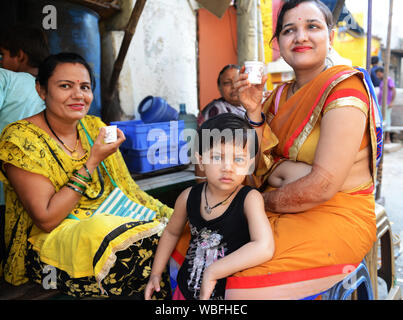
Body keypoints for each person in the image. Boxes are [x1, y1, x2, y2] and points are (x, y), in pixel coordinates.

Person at [174, 0, 378, 300]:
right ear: (278, 42)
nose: (301, 37)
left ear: (330, 37)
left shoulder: (344, 89)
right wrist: (254, 111)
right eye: (289, 30)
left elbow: (322, 185)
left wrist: (250, 205)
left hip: (333, 212)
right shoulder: (277, 96)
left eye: (313, 27)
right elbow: (253, 168)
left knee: (240, 285)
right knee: (191, 249)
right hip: (272, 207)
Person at [0, 52, 173, 299]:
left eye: (85, 87)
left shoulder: (94, 127)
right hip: (49, 244)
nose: (78, 95)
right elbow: (47, 219)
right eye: (65, 86)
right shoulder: (20, 139)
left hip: (112, 226)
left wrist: (174, 218)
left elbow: (127, 190)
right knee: (121, 243)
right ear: (41, 90)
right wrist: (92, 161)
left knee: (175, 233)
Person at [145, 113, 275, 300]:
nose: (228, 167)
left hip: (228, 293)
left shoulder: (249, 199)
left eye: (238, 159)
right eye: (217, 157)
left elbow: (264, 246)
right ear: (200, 160)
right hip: (186, 290)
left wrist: (213, 271)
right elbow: (171, 233)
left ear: (249, 164)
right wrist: (156, 273)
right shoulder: (188, 197)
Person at [0, 24, 49, 270]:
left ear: (19, 55)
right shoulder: (53, 90)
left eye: (1, 56)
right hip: (45, 196)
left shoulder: (4, 77)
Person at [376, 67, 396, 143]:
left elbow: (394, 90)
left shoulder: (388, 79)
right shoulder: (382, 81)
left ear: (382, 73)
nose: (378, 76)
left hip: (387, 104)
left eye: (378, 74)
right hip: (381, 104)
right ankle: (382, 138)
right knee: (381, 120)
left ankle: (387, 138)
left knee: (386, 120)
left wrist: (392, 102)